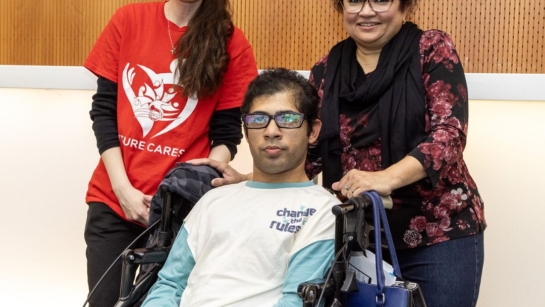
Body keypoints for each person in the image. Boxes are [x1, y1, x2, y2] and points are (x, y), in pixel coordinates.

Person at [191, 1, 487, 307]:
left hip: (438, 236)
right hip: (357, 237)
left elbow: (448, 136)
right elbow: (310, 155)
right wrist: (249, 180)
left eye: (381, 0)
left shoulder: (430, 48)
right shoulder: (326, 69)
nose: (367, 11)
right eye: (355, 0)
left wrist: (385, 178)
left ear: (404, 6)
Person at [83, 0, 258, 305]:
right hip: (114, 202)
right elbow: (103, 111)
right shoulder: (128, 19)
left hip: (181, 215)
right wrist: (123, 190)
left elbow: (226, 133)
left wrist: (195, 188)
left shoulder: (233, 42)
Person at [141, 68, 339, 307]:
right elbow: (170, 285)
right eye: (258, 120)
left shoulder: (323, 209)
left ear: (313, 131)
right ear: (246, 131)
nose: (271, 132)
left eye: (287, 119)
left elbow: (295, 302)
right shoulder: (214, 200)